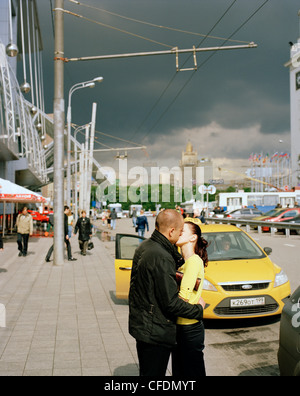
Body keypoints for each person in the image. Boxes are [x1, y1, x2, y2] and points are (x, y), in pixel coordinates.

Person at [129, 209, 205, 377]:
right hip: (154, 331)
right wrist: (198, 310)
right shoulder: (160, 256)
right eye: (179, 231)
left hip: (144, 325)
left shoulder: (146, 246)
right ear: (171, 231)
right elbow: (171, 303)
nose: (179, 236)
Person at [172, 220, 208, 377]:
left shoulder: (194, 261)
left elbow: (183, 298)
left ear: (193, 238)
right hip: (181, 325)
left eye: (182, 230)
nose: (178, 232)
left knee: (192, 372)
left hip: (189, 328)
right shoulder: (183, 261)